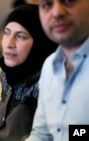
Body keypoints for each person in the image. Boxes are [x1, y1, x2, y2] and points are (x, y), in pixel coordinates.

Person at [0, 4, 57, 141]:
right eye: (7, 33)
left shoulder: (50, 82)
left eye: (21, 36)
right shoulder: (7, 73)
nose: (9, 43)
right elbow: (4, 130)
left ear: (39, 42)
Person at [26, 1, 89, 141]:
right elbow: (42, 134)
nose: (56, 13)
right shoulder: (49, 66)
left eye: (68, 0)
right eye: (47, 4)